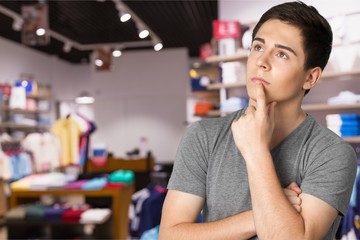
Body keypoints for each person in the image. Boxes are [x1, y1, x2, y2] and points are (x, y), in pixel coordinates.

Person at [159, 1, 357, 239]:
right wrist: (255, 218)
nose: (262, 61)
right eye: (258, 47)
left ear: (310, 78)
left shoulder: (332, 154)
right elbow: (170, 235)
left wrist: (255, 150)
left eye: (282, 54)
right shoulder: (203, 136)